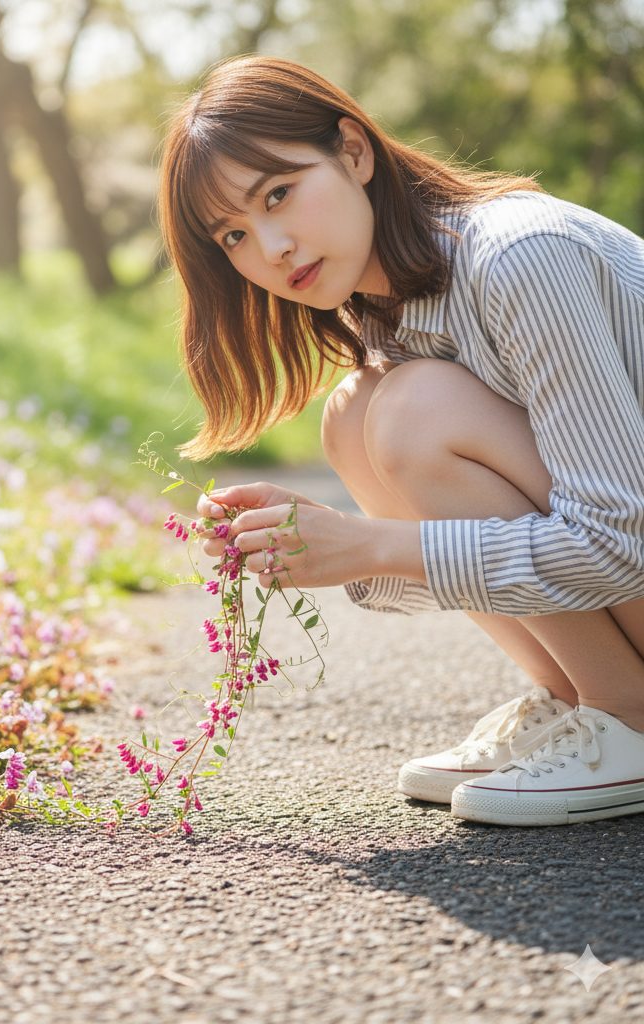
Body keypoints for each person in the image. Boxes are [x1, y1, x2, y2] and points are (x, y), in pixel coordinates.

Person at [158, 54, 644, 828]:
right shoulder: (391, 314)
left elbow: (618, 543)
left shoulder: (520, 257)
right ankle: (578, 697)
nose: (271, 249)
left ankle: (630, 714)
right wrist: (320, 550)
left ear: (354, 151)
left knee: (412, 411)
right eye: (235, 235)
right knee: (354, 417)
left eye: (279, 194)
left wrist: (374, 545)